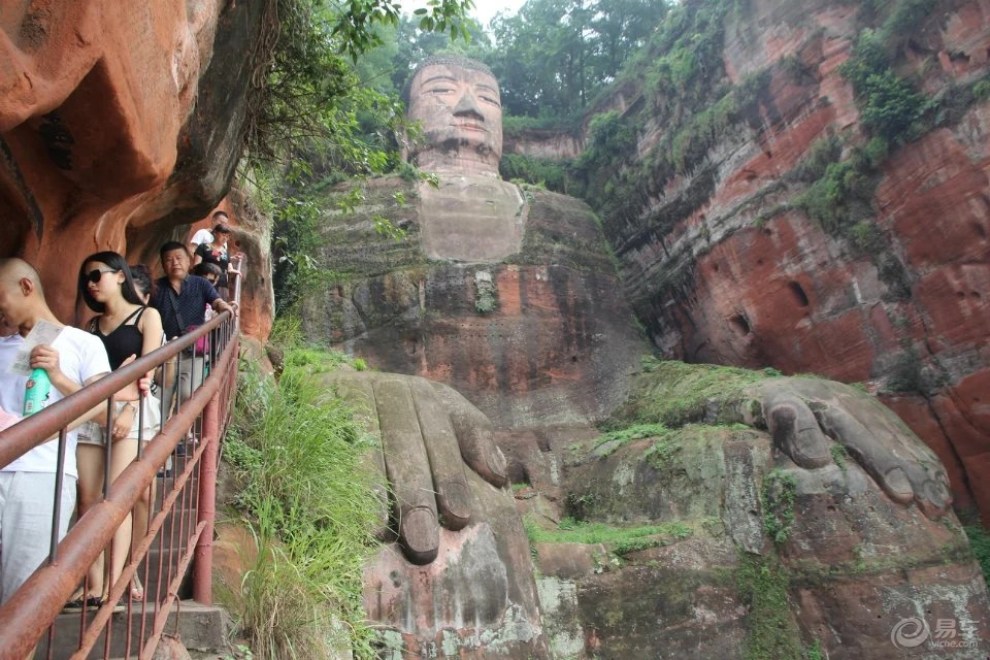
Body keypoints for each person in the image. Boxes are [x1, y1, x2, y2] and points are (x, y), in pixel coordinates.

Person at [0, 258, 111, 605]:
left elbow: (107, 409)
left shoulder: (82, 343)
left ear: (26, 287)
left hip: (42, 476)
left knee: (23, 600)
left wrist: (60, 376)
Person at [75, 252, 164, 605]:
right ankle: (92, 585)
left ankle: (115, 585)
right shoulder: (92, 327)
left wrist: (128, 410)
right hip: (95, 413)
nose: (92, 283)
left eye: (97, 274)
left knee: (117, 498)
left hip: (133, 412)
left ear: (121, 276)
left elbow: (148, 370)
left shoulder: (147, 316)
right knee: (87, 500)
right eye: (87, 279)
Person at [150, 242, 236, 414]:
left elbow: (215, 300)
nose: (175, 263)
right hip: (166, 352)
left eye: (179, 258)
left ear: (189, 261)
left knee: (187, 394)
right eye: (169, 260)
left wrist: (223, 306)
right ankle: (158, 437)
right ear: (163, 265)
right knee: (160, 400)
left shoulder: (200, 284)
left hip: (193, 352)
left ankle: (180, 436)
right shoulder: (156, 289)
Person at [193, 222, 240, 299]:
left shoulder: (225, 252)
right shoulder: (203, 247)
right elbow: (196, 265)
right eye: (223, 235)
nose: (225, 238)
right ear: (215, 233)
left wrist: (236, 271)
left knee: (220, 308)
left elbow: (229, 268)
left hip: (222, 285)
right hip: (206, 282)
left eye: (227, 236)